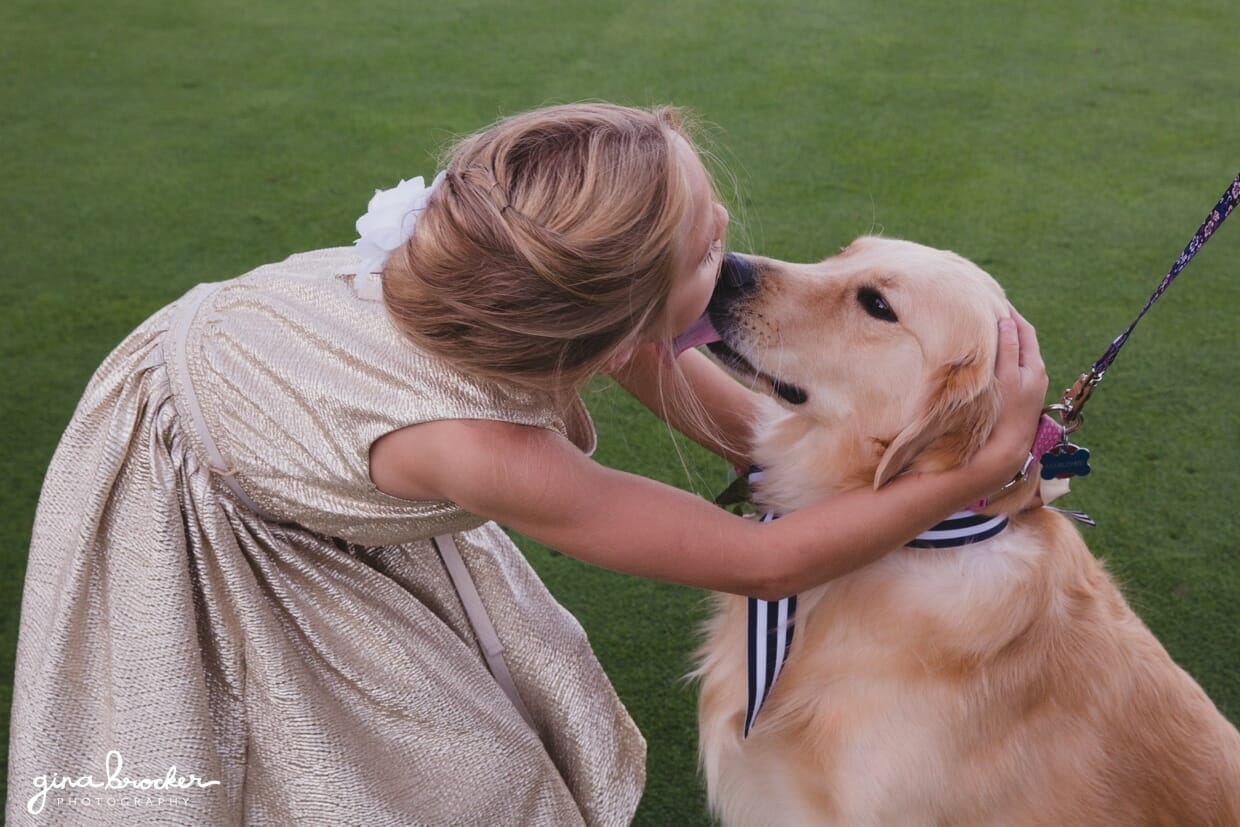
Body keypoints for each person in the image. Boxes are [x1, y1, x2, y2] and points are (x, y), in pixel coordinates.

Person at [7, 103, 1047, 826]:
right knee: (421, 768)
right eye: (698, 257)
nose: (727, 249)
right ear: (607, 326)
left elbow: (670, 365)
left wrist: (803, 451)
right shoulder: (481, 448)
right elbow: (757, 559)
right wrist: (969, 469)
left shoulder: (517, 255)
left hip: (271, 385)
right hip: (212, 490)